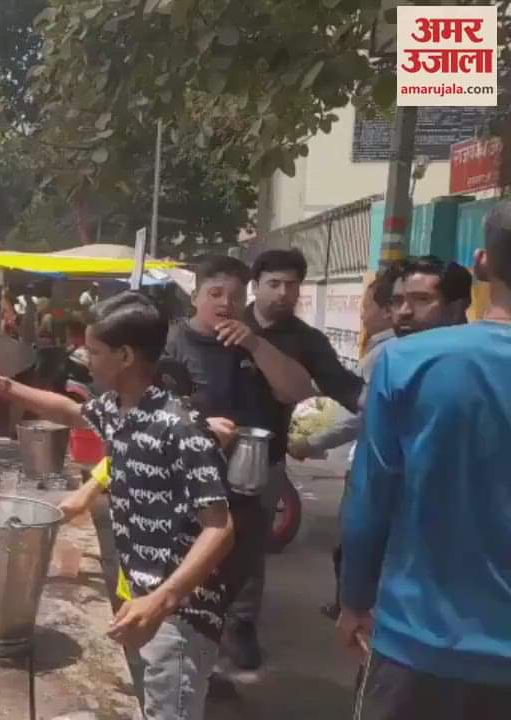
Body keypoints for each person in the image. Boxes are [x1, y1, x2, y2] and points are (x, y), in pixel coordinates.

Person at [0, 292, 235, 720]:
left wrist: (161, 601)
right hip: (143, 602)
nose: (85, 358)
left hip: (180, 614)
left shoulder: (179, 428)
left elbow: (220, 528)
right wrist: (5, 386)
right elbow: (74, 412)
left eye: (94, 351)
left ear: (125, 355)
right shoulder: (119, 408)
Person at [339, 202, 511, 719]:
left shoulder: (408, 362)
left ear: (481, 264)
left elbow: (371, 497)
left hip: (419, 642)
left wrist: (354, 599)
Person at [161, 254, 327, 674]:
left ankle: (223, 642)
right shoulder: (173, 342)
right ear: (195, 296)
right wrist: (196, 424)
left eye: (235, 296)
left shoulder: (254, 341)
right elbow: (150, 405)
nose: (225, 303)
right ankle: (186, 655)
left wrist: (254, 343)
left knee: (243, 564)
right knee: (190, 567)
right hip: (191, 478)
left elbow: (297, 390)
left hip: (252, 474)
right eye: (215, 294)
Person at [212, 249, 363, 670]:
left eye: (291, 285)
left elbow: (340, 386)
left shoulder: (305, 340)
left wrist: (385, 403)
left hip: (264, 457)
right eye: (274, 283)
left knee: (248, 545)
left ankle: (240, 624)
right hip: (202, 452)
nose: (283, 293)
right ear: (255, 285)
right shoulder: (220, 317)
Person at [289, 265, 401, 620]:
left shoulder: (388, 353)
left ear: (386, 310)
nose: (362, 313)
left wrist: (312, 443)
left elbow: (363, 415)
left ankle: (352, 610)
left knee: (356, 539)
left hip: (374, 464)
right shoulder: (388, 350)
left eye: (366, 305)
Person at [388, 255, 473, 338]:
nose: (403, 311)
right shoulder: (384, 349)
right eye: (397, 301)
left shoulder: (479, 349)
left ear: (457, 308)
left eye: (421, 299)